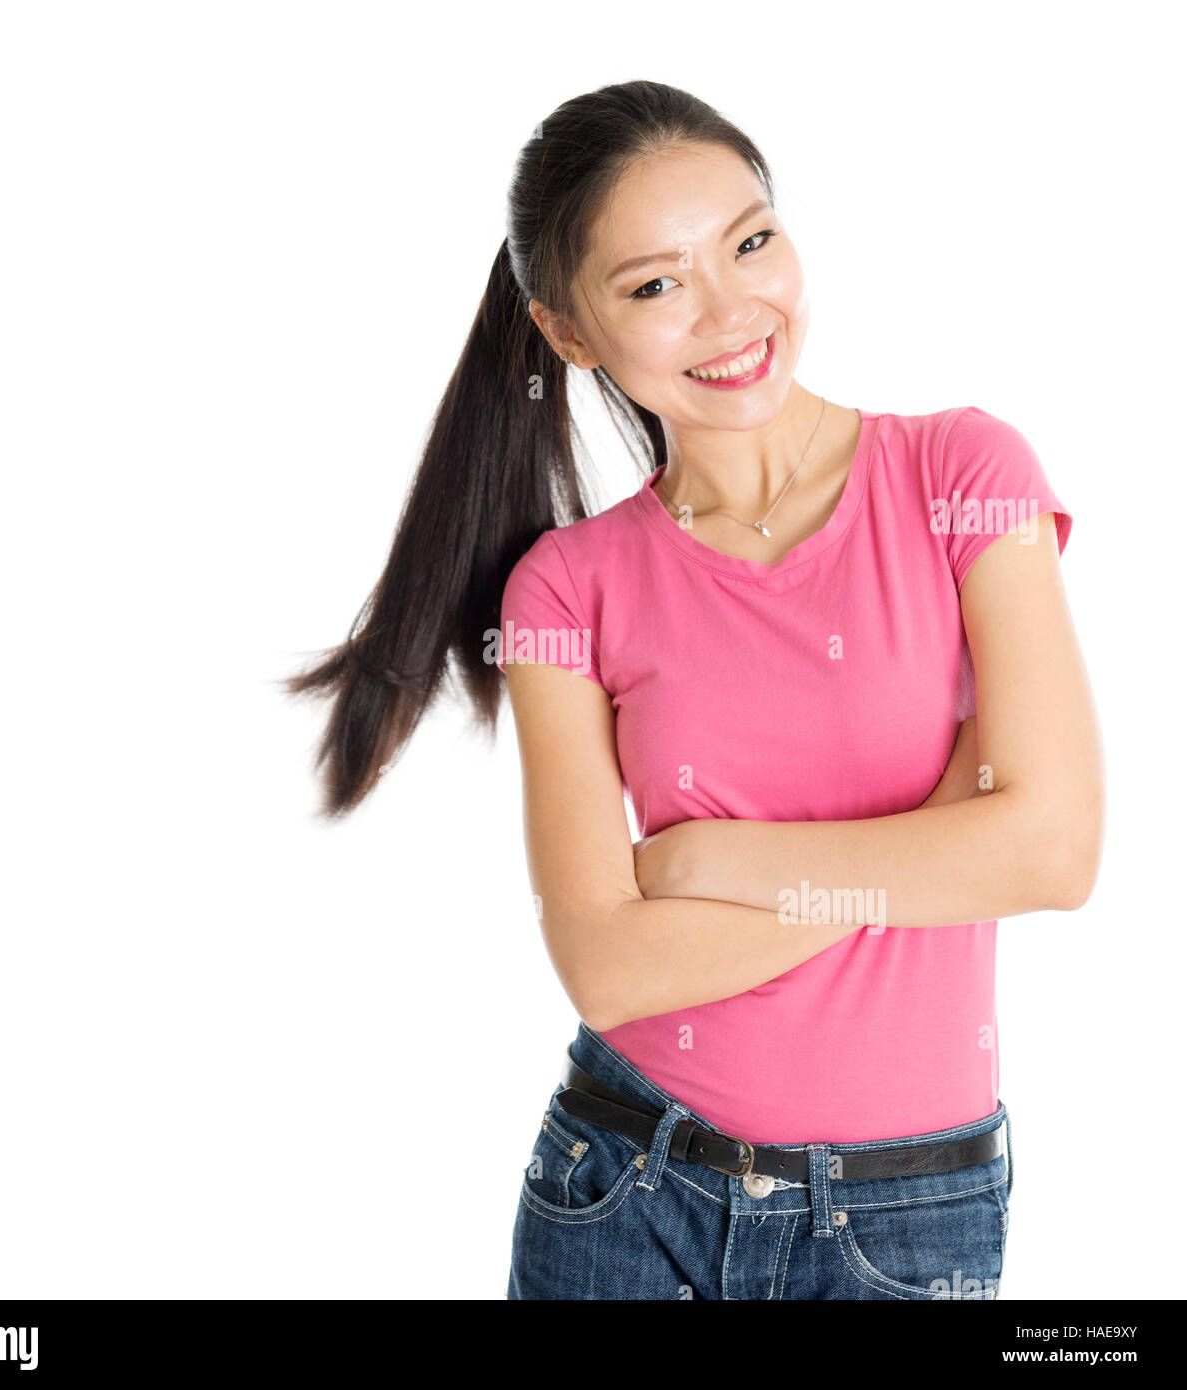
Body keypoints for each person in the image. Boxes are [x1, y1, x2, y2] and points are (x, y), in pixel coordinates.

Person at [283, 79, 1104, 1300]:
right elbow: (610, 969)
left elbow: (1051, 854)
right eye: (656, 284)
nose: (732, 311)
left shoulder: (962, 475)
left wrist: (717, 858)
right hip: (624, 1187)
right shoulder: (563, 589)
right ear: (568, 333)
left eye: (751, 241)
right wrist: (936, 837)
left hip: (906, 1216)